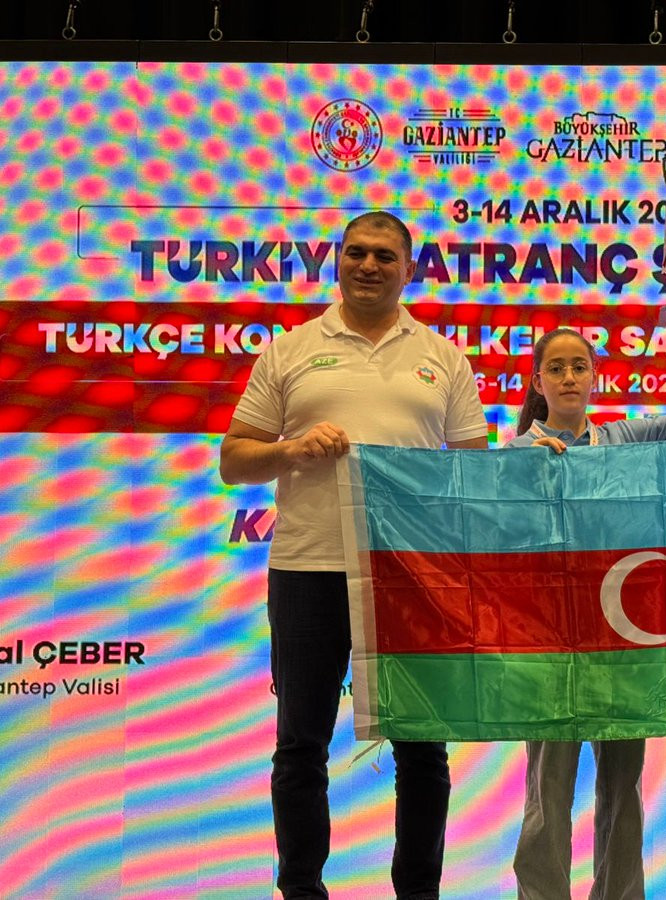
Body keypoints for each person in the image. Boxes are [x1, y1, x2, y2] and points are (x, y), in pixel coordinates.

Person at [219, 211, 488, 899]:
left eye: (384, 256)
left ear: (409, 269)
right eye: (357, 253)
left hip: (410, 577)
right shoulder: (291, 349)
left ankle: (418, 894)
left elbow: (474, 472)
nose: (368, 265)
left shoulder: (443, 356)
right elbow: (233, 461)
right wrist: (290, 449)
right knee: (301, 747)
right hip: (308, 570)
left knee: (422, 750)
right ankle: (301, 891)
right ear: (337, 260)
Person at [508, 325, 666, 900]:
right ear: (537, 382)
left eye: (579, 366)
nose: (569, 377)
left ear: (595, 377)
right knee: (547, 788)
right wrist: (522, 477)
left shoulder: (626, 439)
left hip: (621, 641)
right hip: (550, 644)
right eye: (556, 368)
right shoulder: (513, 456)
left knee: (623, 786)